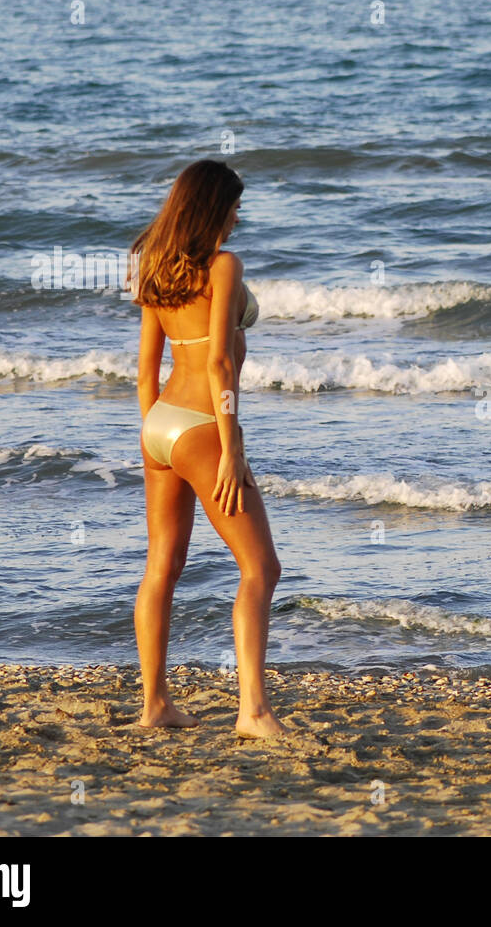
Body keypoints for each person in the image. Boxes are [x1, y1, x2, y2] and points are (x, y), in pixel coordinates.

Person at [129, 159, 285, 736]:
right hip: (201, 427)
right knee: (260, 567)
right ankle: (253, 711)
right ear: (212, 207)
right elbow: (219, 361)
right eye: (234, 205)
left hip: (161, 424)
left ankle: (155, 706)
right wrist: (229, 445)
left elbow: (146, 370)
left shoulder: (154, 265)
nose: (239, 215)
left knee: (162, 566)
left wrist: (154, 444)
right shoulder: (223, 266)